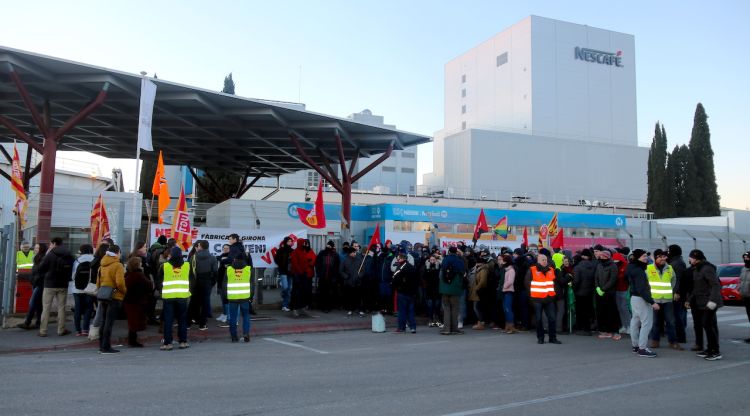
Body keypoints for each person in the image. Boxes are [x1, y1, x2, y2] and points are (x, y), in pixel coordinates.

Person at [686, 249, 723, 361]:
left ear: (696, 259)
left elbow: (715, 285)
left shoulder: (707, 268)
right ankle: (709, 349)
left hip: (709, 302)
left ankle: (715, 351)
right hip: (700, 302)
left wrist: (712, 301)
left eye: (691, 258)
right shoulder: (697, 269)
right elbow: (697, 288)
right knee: (706, 325)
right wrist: (689, 299)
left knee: (708, 325)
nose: (689, 260)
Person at [38, 237, 74, 337]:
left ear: (54, 243)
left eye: (50, 244)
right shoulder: (68, 254)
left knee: (46, 308)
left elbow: (41, 268)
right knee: (61, 308)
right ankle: (61, 330)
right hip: (63, 284)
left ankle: (43, 331)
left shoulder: (50, 254)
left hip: (49, 284)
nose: (50, 246)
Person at [647, 249, 681, 350]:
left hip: (667, 299)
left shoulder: (669, 268)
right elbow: (645, 283)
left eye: (664, 257)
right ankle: (655, 341)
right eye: (660, 257)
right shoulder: (648, 268)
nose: (663, 259)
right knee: (656, 322)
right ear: (656, 257)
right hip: (655, 300)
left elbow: (674, 280)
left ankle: (673, 342)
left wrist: (672, 291)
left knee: (670, 322)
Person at [627, 249, 659, 357]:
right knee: (646, 323)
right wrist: (652, 302)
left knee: (635, 321)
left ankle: (636, 346)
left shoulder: (631, 267)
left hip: (634, 298)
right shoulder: (639, 270)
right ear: (637, 258)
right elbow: (642, 289)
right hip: (641, 299)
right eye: (643, 256)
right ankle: (642, 348)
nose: (646, 258)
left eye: (646, 256)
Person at [97, 245, 127, 354]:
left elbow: (98, 281)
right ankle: (106, 346)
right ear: (117, 252)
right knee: (109, 322)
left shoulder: (102, 264)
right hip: (114, 296)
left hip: (104, 295)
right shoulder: (117, 265)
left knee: (104, 320)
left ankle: (101, 345)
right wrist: (124, 292)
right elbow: (120, 282)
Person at [526, 253, 561, 344]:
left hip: (549, 298)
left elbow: (554, 283)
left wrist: (554, 295)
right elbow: (527, 284)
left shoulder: (551, 270)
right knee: (538, 319)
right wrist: (531, 296)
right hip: (537, 299)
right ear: (538, 261)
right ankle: (540, 338)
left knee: (552, 318)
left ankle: (552, 338)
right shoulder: (532, 270)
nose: (545, 261)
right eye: (543, 260)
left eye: (545, 260)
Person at [161, 246, 191, 350]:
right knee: (182, 320)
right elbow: (192, 280)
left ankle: (167, 343)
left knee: (168, 320)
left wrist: (162, 290)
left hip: (168, 297)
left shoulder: (165, 266)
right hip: (182, 297)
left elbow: (158, 281)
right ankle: (183, 342)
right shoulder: (187, 265)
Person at [16, 243, 47, 330]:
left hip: (39, 284)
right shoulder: (36, 257)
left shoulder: (43, 258)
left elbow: (40, 272)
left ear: (41, 249)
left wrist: (35, 280)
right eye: (35, 247)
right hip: (35, 283)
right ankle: (38, 323)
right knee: (38, 304)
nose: (35, 249)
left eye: (37, 248)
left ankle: (27, 322)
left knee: (32, 303)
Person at [124, 256, 152, 348]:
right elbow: (148, 285)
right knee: (134, 322)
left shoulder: (128, 274)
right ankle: (132, 341)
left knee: (132, 321)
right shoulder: (139, 275)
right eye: (140, 263)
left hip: (129, 300)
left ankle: (132, 340)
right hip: (137, 301)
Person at [594, 247, 621, 340]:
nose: (600, 257)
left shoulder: (613, 266)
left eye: (602, 256)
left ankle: (616, 331)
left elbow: (613, 279)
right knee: (602, 312)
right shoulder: (599, 265)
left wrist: (603, 289)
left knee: (611, 312)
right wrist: (597, 287)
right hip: (599, 293)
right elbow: (596, 277)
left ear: (606, 257)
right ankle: (605, 331)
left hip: (609, 293)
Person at [190, 240, 217, 331]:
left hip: (196, 281)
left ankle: (188, 322)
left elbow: (190, 271)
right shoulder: (212, 258)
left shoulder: (194, 257)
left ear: (200, 246)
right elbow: (215, 272)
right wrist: (212, 282)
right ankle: (202, 324)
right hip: (207, 281)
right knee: (205, 303)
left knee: (194, 302)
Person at [226, 253, 252, 343]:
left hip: (232, 298)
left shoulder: (229, 269)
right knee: (246, 316)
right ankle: (246, 334)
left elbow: (224, 284)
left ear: (234, 260)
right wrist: (250, 296)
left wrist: (225, 296)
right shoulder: (248, 269)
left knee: (233, 317)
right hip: (244, 297)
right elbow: (252, 284)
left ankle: (233, 336)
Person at [439, 246, 465, 335]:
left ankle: (446, 329)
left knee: (446, 308)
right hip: (455, 288)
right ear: (456, 252)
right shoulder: (460, 261)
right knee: (455, 308)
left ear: (449, 252)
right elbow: (463, 273)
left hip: (445, 287)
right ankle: (454, 328)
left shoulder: (445, 259)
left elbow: (442, 272)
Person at [71, 244, 95, 336]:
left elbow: (73, 276)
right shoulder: (94, 259)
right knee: (88, 308)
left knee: (77, 308)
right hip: (89, 289)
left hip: (77, 289)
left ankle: (78, 330)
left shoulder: (77, 260)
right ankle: (85, 329)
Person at [391, 252, 419, 333]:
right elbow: (416, 280)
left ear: (402, 259)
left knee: (402, 311)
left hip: (402, 292)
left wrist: (394, 286)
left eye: (398, 258)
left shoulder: (401, 267)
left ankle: (401, 327)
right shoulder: (412, 267)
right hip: (411, 292)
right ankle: (413, 327)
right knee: (410, 311)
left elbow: (395, 278)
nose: (398, 260)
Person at [572, 248, 596, 335]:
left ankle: (582, 328)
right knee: (588, 310)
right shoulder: (593, 266)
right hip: (590, 292)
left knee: (580, 311)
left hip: (580, 292)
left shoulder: (578, 267)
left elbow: (576, 281)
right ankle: (588, 328)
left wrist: (574, 289)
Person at [669, 244, 689, 344]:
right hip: (675, 292)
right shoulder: (675, 261)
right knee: (678, 315)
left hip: (677, 293)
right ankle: (679, 334)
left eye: (669, 251)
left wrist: (677, 292)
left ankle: (680, 336)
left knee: (678, 315)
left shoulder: (678, 263)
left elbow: (679, 279)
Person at [291, 238, 316, 316]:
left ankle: (302, 307)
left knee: (303, 292)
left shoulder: (303, 251)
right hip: (297, 275)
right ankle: (295, 308)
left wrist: (304, 270)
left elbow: (305, 262)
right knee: (296, 292)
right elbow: (295, 263)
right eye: (304, 243)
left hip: (303, 274)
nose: (305, 245)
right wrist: (301, 271)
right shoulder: (295, 252)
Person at [315, 240, 340, 313]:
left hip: (331, 277)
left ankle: (328, 307)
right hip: (322, 276)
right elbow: (317, 264)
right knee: (322, 291)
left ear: (332, 247)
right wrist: (318, 273)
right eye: (327, 245)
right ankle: (322, 306)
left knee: (329, 292)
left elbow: (337, 266)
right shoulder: (321, 253)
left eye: (330, 246)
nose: (328, 247)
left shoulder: (335, 255)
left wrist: (335, 276)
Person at [339, 246, 364, 317]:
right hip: (349, 282)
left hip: (357, 281)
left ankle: (360, 310)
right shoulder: (345, 260)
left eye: (355, 252)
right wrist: (346, 276)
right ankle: (350, 309)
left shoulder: (359, 260)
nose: (354, 253)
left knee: (358, 297)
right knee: (350, 297)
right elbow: (341, 270)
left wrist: (360, 275)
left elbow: (363, 270)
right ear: (350, 253)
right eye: (353, 252)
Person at [422, 252, 443, 328]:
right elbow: (424, 277)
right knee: (430, 305)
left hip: (437, 289)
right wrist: (427, 269)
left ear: (436, 260)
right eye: (431, 259)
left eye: (434, 259)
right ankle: (430, 319)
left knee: (437, 305)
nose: (432, 261)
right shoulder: (426, 267)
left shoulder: (439, 267)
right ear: (429, 260)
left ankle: (438, 320)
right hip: (429, 289)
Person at [274, 236, 294, 312]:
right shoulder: (281, 250)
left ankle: (285, 305)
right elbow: (276, 259)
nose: (290, 242)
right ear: (285, 242)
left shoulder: (292, 251)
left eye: (291, 241)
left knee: (289, 288)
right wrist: (281, 265)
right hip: (283, 271)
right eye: (289, 241)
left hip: (290, 272)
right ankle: (283, 296)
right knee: (285, 287)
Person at [613, 252, 631, 335]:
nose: (616, 262)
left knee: (625, 309)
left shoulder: (626, 266)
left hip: (625, 290)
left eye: (617, 261)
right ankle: (624, 326)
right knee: (620, 309)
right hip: (617, 290)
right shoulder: (616, 266)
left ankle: (630, 326)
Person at [499, 253, 516, 334]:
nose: (501, 261)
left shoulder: (511, 270)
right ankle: (507, 326)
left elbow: (510, 281)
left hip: (508, 291)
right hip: (504, 291)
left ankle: (511, 327)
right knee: (505, 309)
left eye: (503, 260)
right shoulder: (505, 269)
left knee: (508, 309)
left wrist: (503, 287)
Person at [216, 243, 231, 325]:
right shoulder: (221, 256)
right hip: (220, 280)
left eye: (227, 248)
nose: (225, 249)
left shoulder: (230, 257)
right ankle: (224, 313)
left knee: (226, 299)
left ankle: (227, 315)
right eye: (224, 248)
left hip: (226, 281)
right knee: (222, 299)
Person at [739, 251, 750, 344]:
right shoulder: (744, 269)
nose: (745, 259)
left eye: (747, 258)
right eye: (745, 258)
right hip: (746, 296)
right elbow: (741, 280)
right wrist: (739, 289)